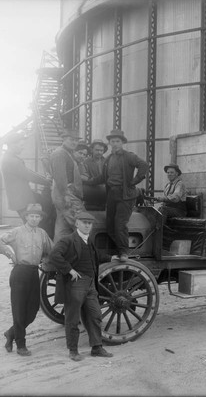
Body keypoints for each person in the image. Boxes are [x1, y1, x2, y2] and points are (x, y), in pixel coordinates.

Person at [48, 211, 114, 362]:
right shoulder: (68, 240)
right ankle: (73, 350)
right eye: (84, 222)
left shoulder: (88, 241)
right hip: (75, 284)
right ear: (76, 223)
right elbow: (54, 255)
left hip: (90, 284)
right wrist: (69, 269)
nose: (87, 225)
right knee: (72, 318)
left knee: (95, 315)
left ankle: (97, 347)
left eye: (89, 223)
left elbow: (96, 256)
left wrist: (111, 258)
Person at [0, 204, 54, 356]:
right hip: (19, 273)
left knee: (32, 311)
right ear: (26, 217)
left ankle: (11, 333)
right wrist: (9, 253)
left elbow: (51, 251)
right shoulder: (17, 232)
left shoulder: (42, 234)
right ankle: (21, 345)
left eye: (37, 216)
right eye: (31, 216)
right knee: (19, 310)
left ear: (40, 218)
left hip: (34, 273)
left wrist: (46, 260)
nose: (34, 218)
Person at [85, 129, 148, 262]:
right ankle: (118, 248)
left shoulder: (129, 156)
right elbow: (102, 177)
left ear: (122, 142)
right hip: (112, 194)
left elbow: (143, 165)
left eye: (117, 141)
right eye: (112, 141)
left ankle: (124, 252)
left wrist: (134, 181)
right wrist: (87, 181)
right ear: (110, 142)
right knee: (109, 226)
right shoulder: (108, 158)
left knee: (120, 224)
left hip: (126, 195)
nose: (115, 143)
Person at [0, 132, 54, 236]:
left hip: (21, 197)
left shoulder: (9, 158)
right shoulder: (12, 160)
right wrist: (47, 181)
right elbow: (29, 175)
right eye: (21, 145)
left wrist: (45, 180)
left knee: (44, 209)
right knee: (34, 226)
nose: (22, 148)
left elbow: (28, 172)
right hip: (23, 200)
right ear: (12, 144)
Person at [49, 128, 85, 242]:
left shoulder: (67, 153)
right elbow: (60, 178)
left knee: (62, 229)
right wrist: (66, 195)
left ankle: (56, 256)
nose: (74, 142)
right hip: (65, 194)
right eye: (71, 139)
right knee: (83, 224)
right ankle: (86, 256)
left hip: (63, 194)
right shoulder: (60, 154)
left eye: (76, 140)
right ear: (63, 139)